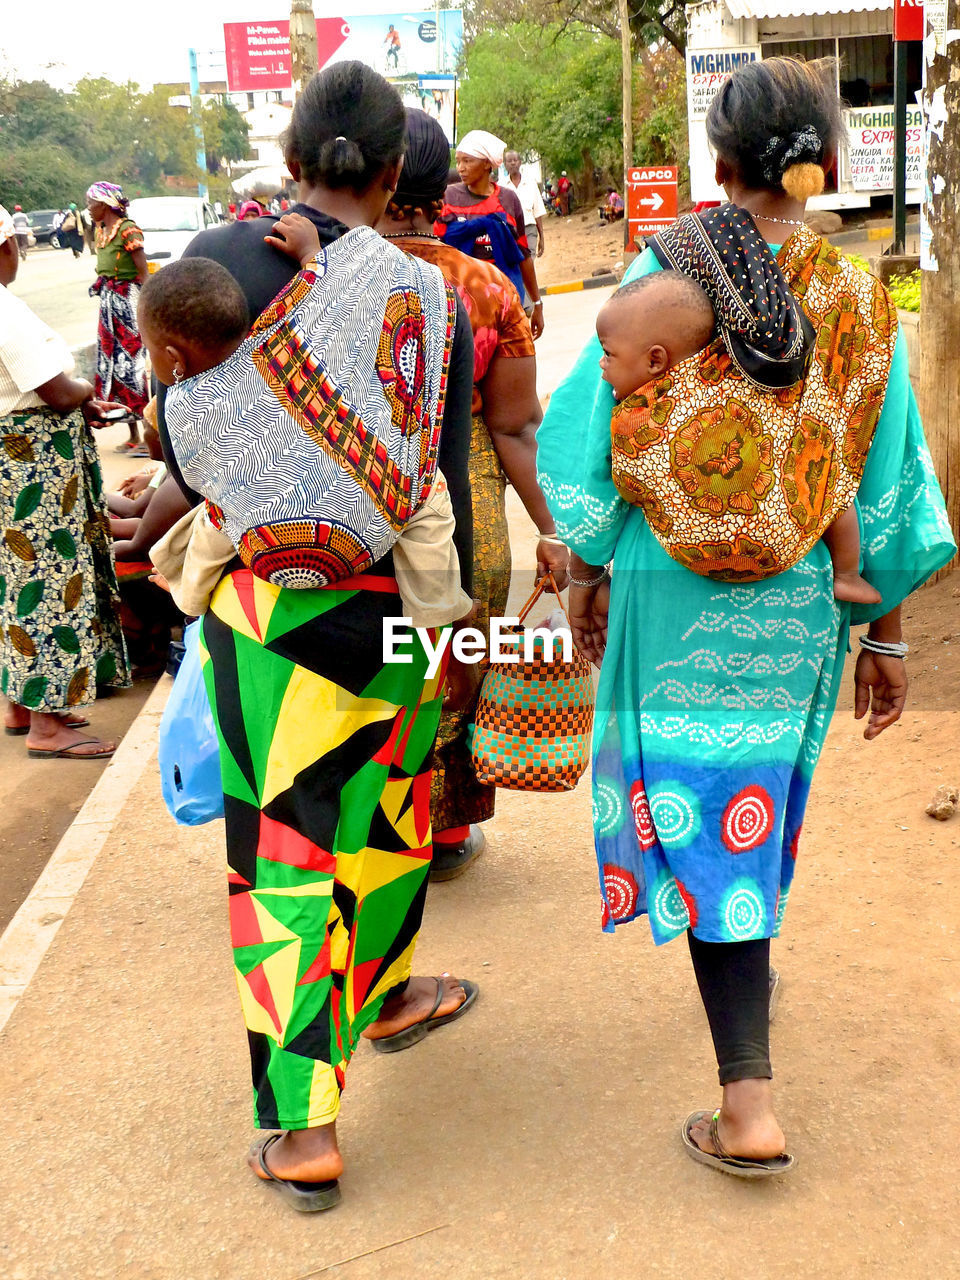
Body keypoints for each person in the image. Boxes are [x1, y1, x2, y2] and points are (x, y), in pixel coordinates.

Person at [536, 55, 956, 1179]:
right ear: (825, 163)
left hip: (673, 595)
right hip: (801, 599)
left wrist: (581, 580)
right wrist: (886, 632)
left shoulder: (664, 266)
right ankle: (747, 972)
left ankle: (749, 1105)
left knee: (698, 805)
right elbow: (888, 479)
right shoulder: (862, 295)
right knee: (750, 804)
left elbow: (587, 447)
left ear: (717, 163)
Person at [153, 61, 480, 1210]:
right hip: (393, 610)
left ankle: (303, 1129)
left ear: (291, 160)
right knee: (389, 818)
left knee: (285, 858)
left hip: (272, 619)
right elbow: (435, 469)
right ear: (396, 174)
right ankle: (385, 995)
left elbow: (183, 443)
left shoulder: (217, 258)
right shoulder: (433, 295)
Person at [377, 108, 569, 877]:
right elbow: (518, 427)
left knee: (372, 675)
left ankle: (367, 834)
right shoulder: (485, 289)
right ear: (440, 189)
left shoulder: (313, 274)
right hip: (464, 520)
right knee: (453, 661)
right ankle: (445, 831)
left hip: (349, 516)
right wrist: (558, 533)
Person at [596, 273, 881, 604]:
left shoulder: (635, 419)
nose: (601, 365)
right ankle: (846, 575)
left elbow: (628, 483)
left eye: (608, 354)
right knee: (831, 481)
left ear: (655, 360)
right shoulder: (737, 378)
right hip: (789, 543)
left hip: (697, 562)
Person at [0, 204, 130, 757]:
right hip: (33, 460)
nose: (21, 253)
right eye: (17, 243)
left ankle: (22, 703)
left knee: (17, 576)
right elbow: (52, 389)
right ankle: (46, 728)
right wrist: (84, 396)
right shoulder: (4, 309)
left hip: (19, 453)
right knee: (47, 580)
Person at [435, 130, 545, 339]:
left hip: (504, 300)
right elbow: (436, 251)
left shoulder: (508, 200)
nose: (461, 168)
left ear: (487, 164)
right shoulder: (449, 198)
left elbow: (522, 255)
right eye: (458, 161)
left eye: (467, 161)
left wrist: (537, 303)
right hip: (462, 306)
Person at [86, 182, 148, 454]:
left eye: (91, 203)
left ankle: (149, 434)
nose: (88, 209)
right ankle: (132, 433)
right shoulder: (101, 231)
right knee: (111, 366)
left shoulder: (128, 229)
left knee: (133, 365)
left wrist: (147, 307)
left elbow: (143, 273)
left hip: (127, 303)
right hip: (109, 303)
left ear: (105, 204)